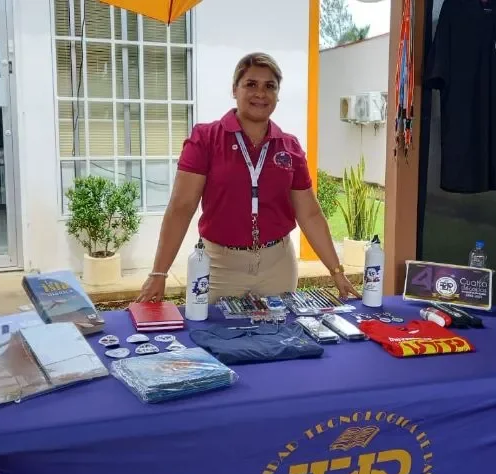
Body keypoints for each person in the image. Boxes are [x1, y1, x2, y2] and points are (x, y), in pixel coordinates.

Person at [138, 52, 360, 303]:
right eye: (251, 84)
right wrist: (159, 272)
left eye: (270, 86)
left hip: (278, 267)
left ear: (278, 94)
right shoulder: (205, 139)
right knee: (212, 337)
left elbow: (309, 214)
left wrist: (336, 271)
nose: (260, 93)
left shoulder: (289, 147)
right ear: (234, 89)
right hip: (219, 268)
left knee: (281, 338)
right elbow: (181, 207)